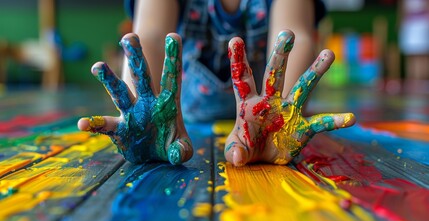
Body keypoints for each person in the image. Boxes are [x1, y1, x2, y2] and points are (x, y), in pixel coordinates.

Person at [77, 0, 356, 166]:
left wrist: (279, 124)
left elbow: (298, 36)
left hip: (264, 120)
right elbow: (148, 35)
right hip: (177, 119)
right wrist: (141, 115)